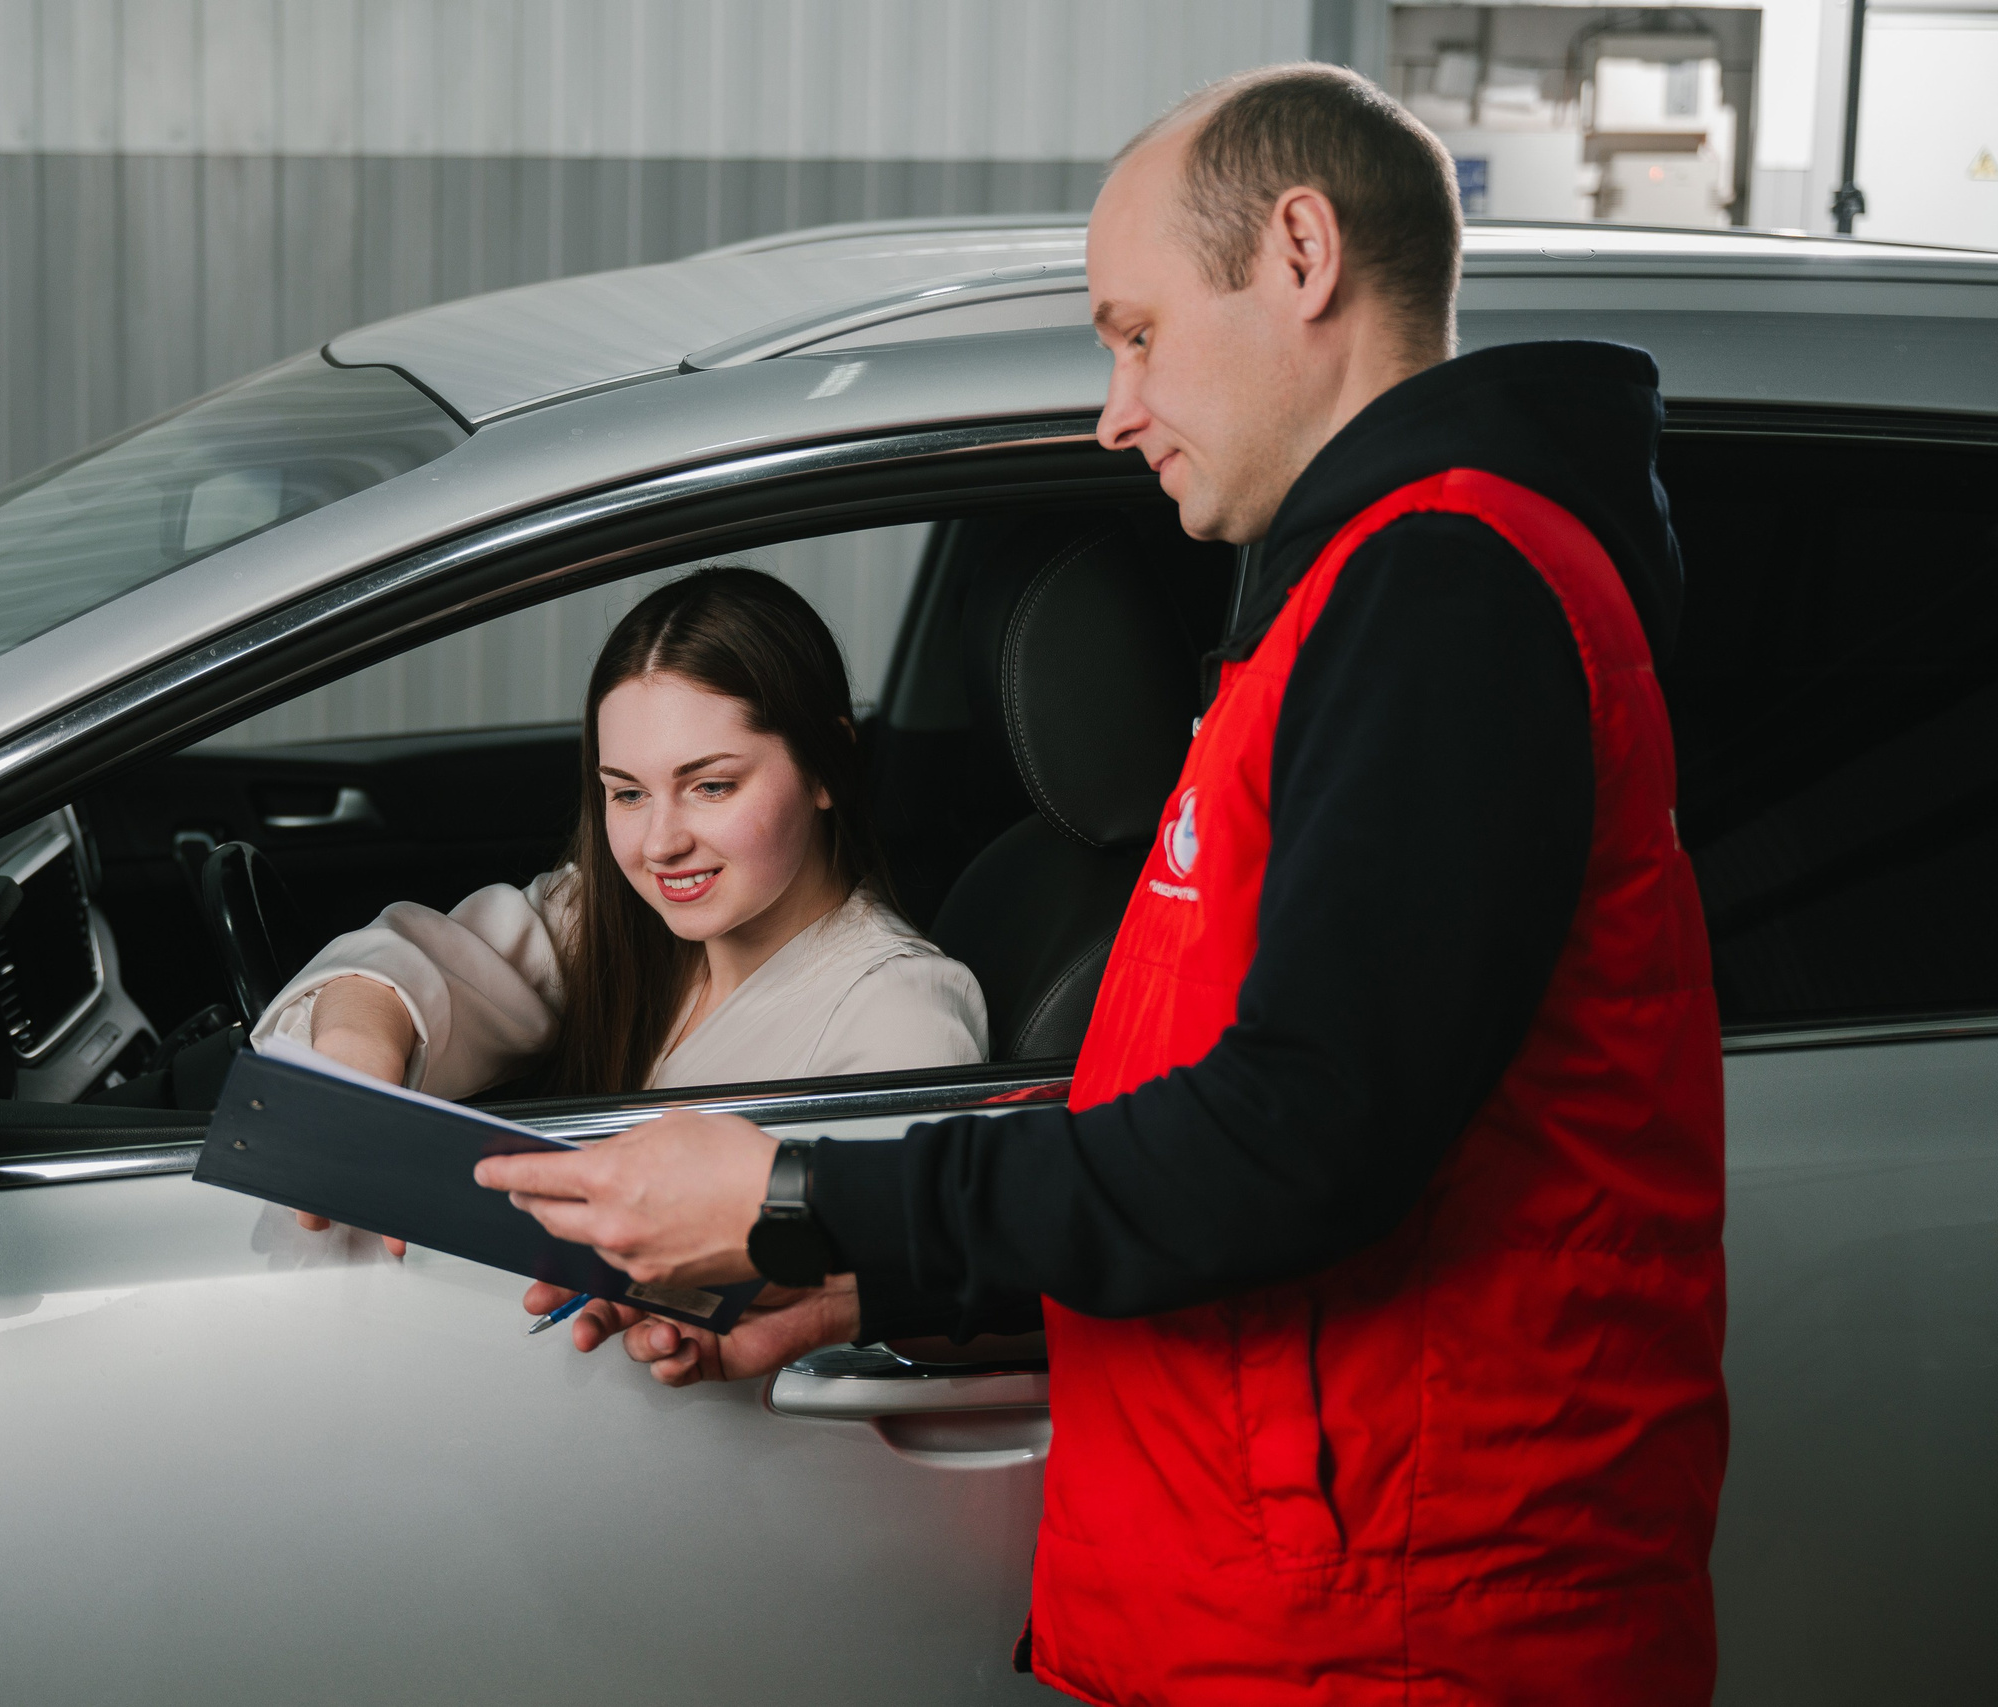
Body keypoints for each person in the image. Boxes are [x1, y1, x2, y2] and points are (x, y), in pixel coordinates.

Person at [475, 64, 1727, 1707]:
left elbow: (1301, 1137)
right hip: (1293, 1595)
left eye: (1136, 333)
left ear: (1299, 253)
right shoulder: (1353, 596)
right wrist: (864, 1280)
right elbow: (1216, 1145)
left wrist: (798, 1193)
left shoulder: (1446, 592)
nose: (1115, 410)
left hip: (1402, 1619)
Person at [253, 564, 985, 1107]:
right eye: (628, 793)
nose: (660, 844)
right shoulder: (607, 918)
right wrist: (356, 1049)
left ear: (828, 767)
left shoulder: (899, 1011)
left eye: (711, 786)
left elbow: (860, 1261)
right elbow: (409, 967)